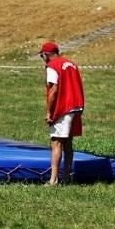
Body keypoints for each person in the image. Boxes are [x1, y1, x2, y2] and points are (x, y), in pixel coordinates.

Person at [39, 41, 85, 186]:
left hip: (63, 107)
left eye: (42, 56)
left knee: (56, 142)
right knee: (68, 143)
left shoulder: (53, 66)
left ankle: (53, 180)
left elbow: (54, 89)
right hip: (76, 106)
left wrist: (49, 112)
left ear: (46, 55)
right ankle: (66, 177)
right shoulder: (71, 64)